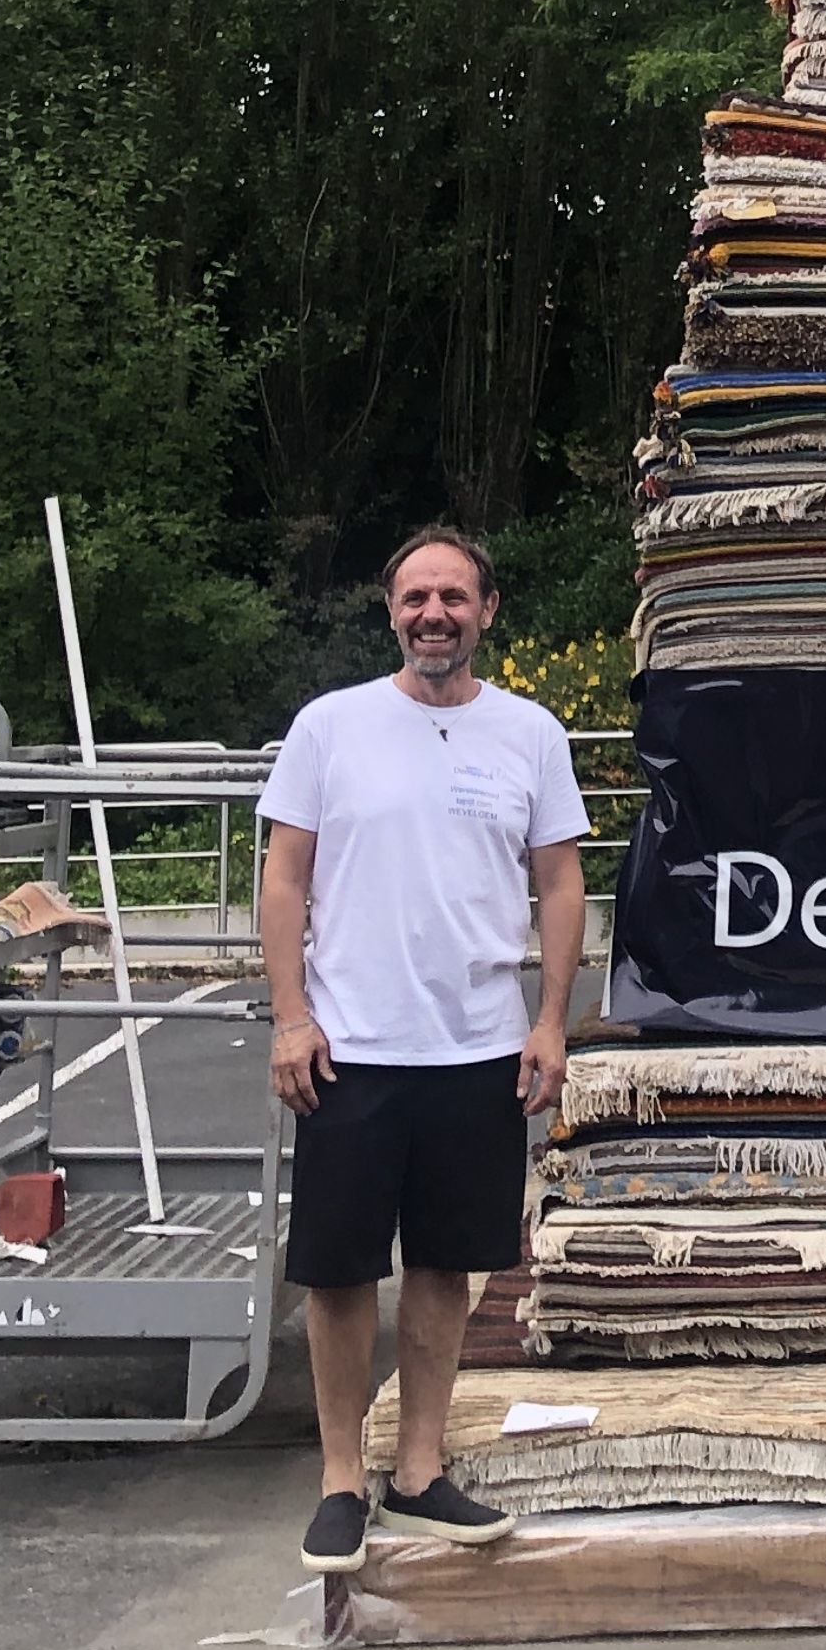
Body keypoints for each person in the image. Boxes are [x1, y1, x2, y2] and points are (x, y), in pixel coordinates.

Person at [261, 526, 591, 1576]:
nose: (433, 614)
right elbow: (282, 879)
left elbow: (559, 884)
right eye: (415, 597)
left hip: (480, 1049)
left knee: (448, 1266)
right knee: (341, 1270)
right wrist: (289, 1016)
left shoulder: (530, 734)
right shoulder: (331, 728)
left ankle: (416, 1472)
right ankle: (340, 1484)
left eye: (453, 596)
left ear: (487, 610)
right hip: (350, 1046)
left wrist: (550, 1022)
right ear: (390, 611)